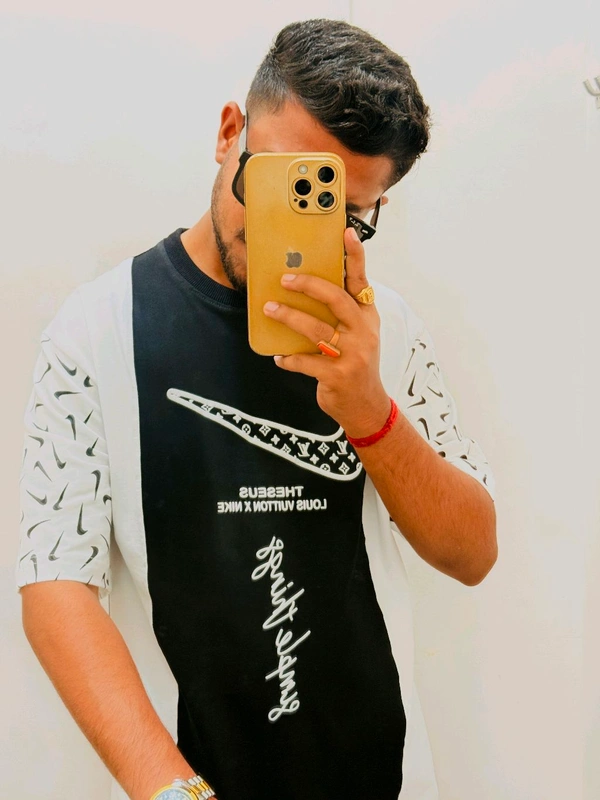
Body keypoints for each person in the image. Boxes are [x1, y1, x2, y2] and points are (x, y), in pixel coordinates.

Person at [17, 18, 497, 800]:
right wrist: (172, 791)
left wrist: (371, 413)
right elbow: (54, 581)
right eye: (279, 183)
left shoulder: (386, 331)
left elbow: (471, 553)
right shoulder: (95, 330)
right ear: (228, 133)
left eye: (338, 210)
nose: (293, 228)